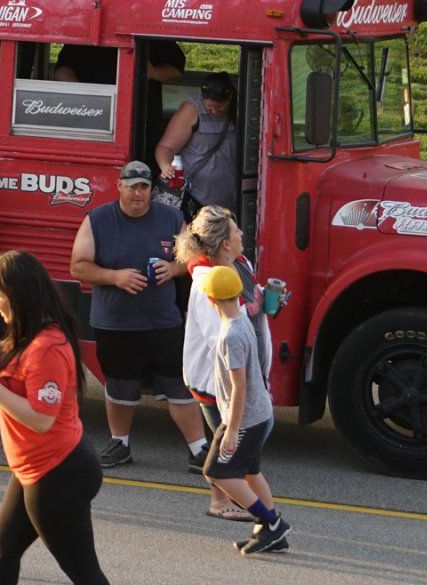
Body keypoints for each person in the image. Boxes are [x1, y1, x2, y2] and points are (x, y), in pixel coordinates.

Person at [0, 251, 112, 585]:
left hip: (57, 473)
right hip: (40, 469)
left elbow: (41, 418)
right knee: (3, 546)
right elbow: (21, 366)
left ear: (16, 295)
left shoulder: (47, 345)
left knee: (83, 572)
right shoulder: (31, 333)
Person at [70, 159, 206, 470]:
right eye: (132, 187)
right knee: (120, 386)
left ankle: (199, 449)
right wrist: (115, 277)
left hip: (163, 321)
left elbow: (196, 259)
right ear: (119, 186)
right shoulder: (99, 219)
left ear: (150, 190)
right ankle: (120, 444)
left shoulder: (172, 218)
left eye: (144, 187)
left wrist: (173, 268)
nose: (138, 194)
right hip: (115, 323)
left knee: (179, 386)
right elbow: (78, 265)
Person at [176, 205, 261, 522]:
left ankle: (226, 500)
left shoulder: (232, 267)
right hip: (214, 382)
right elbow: (221, 339)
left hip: (220, 379)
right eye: (235, 231)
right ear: (225, 243)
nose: (241, 234)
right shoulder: (207, 283)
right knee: (233, 447)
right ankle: (244, 507)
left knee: (229, 443)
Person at [201, 265, 290, 554]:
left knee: (216, 471)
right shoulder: (242, 321)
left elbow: (239, 387)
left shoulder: (230, 336)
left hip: (244, 418)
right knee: (250, 471)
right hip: (258, 412)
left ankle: (272, 523)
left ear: (211, 300)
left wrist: (232, 431)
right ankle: (269, 533)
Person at [155, 72, 239, 215]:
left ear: (230, 98)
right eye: (209, 106)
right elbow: (165, 147)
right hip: (196, 198)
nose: (213, 111)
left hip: (229, 201)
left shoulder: (238, 108)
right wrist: (165, 166)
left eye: (219, 107)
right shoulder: (191, 110)